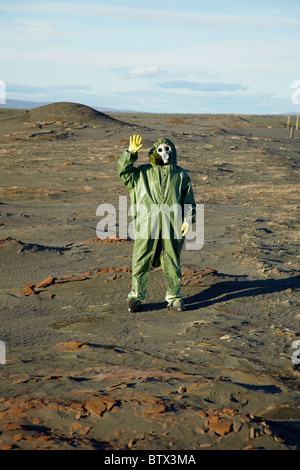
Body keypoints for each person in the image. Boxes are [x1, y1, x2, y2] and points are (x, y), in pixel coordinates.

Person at [118, 135, 196, 312]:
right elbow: (124, 173)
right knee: (141, 258)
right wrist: (130, 153)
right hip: (146, 225)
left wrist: (187, 219)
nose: (164, 153)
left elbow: (188, 201)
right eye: (160, 150)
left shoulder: (180, 175)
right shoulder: (141, 174)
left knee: (172, 260)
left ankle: (174, 297)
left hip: (172, 225)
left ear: (173, 152)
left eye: (167, 149)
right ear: (154, 152)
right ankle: (136, 296)